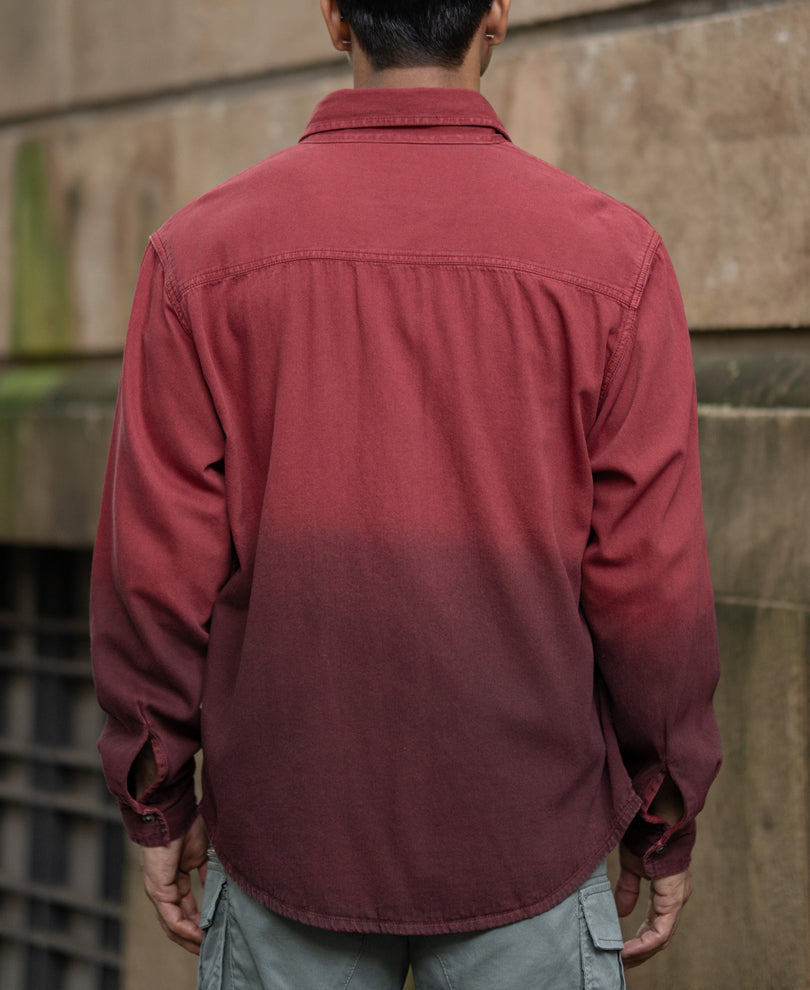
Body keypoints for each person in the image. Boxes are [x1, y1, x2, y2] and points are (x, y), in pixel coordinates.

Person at [90, 1, 722, 987]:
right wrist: (666, 807)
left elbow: (155, 574)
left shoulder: (198, 259)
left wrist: (155, 792)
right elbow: (652, 583)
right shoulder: (614, 262)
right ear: (498, 15)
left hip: (288, 839)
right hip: (529, 840)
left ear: (337, 19)